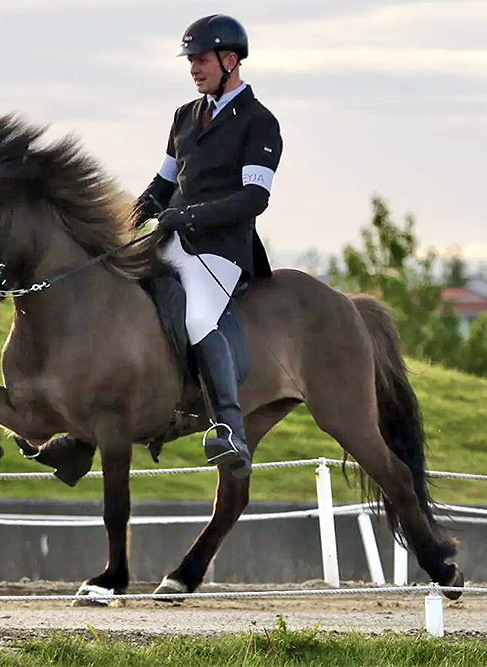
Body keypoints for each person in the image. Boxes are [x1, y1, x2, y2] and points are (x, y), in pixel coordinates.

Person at [133, 14, 283, 479]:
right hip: (170, 239)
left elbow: (253, 198)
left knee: (198, 317)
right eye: (191, 61)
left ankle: (229, 426)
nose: (193, 68)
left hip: (219, 251)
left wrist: (188, 216)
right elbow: (161, 183)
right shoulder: (184, 117)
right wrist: (130, 215)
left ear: (230, 59)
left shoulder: (260, 123)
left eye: (200, 60)